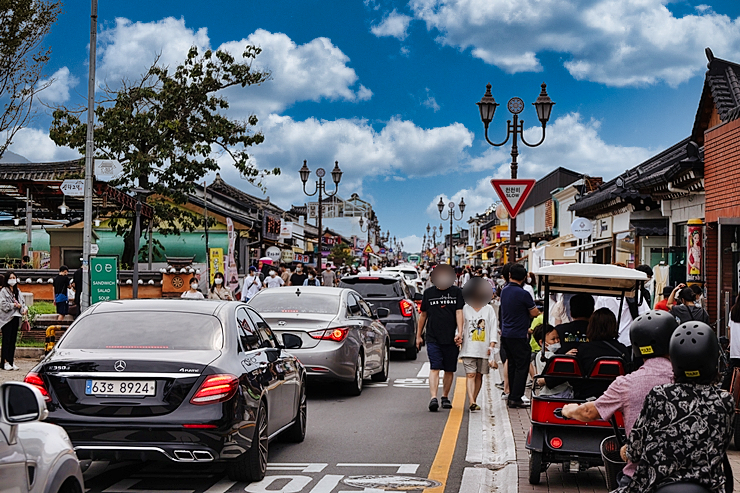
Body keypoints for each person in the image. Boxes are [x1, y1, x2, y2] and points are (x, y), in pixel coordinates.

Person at [561, 310, 677, 488]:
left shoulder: (627, 383)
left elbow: (588, 412)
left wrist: (568, 410)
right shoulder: (688, 381)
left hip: (640, 477)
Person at [613, 322, 733, 493]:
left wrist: (627, 451)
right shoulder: (724, 400)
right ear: (713, 359)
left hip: (655, 485)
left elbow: (635, 448)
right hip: (708, 487)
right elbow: (722, 443)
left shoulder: (659, 394)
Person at [416, 264, 464, 412]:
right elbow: (423, 315)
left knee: (449, 369)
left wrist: (460, 333)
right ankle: (433, 398)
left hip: (451, 338)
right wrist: (418, 335)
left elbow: (459, 312)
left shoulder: (456, 292)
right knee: (435, 367)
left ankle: (445, 396)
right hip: (433, 336)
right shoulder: (428, 293)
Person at [500, 264, 540, 408]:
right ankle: (516, 398)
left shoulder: (504, 291)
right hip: (518, 334)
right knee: (522, 366)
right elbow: (534, 312)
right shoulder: (523, 293)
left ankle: (511, 395)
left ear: (510, 275)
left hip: (506, 334)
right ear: (524, 277)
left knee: (511, 364)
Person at [458, 277, 497, 411]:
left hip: (484, 348)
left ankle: (473, 400)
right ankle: (472, 400)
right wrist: (458, 337)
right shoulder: (465, 308)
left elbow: (493, 327)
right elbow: (460, 327)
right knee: (471, 374)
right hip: (469, 348)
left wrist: (492, 345)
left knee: (479, 375)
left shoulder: (489, 309)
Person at [574, 307, 628, 398]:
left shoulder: (583, 350)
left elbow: (576, 380)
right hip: (616, 398)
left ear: (591, 326)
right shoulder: (622, 350)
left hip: (587, 398)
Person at [531, 324, 574, 398]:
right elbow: (557, 367)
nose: (557, 341)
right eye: (553, 339)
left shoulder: (540, 354)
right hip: (555, 393)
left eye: (558, 338)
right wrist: (566, 357)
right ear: (542, 343)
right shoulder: (546, 356)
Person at [0, 272, 27, 371]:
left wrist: (24, 309)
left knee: (13, 341)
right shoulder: (3, 291)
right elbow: (3, 305)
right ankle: (5, 361)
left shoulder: (17, 291)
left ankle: (11, 361)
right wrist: (14, 305)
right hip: (7, 319)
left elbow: (23, 302)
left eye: (14, 277)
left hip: (16, 317)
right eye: (10, 278)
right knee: (6, 340)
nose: (12, 279)